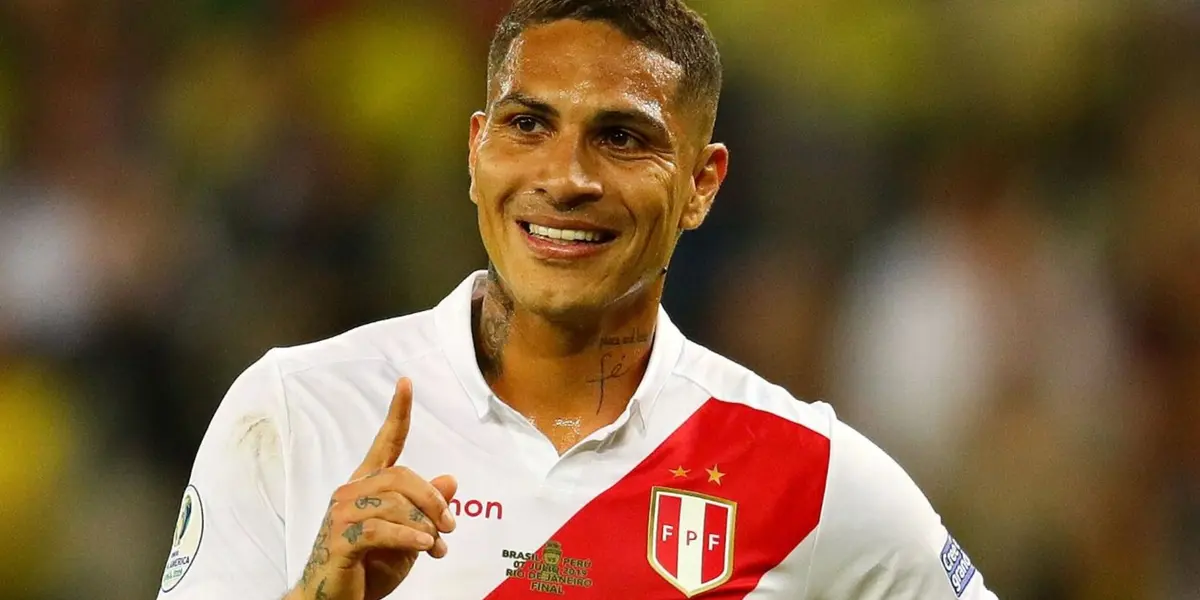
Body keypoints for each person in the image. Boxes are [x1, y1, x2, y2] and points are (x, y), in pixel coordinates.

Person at [156, 1, 998, 598]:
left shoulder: (806, 473)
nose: (565, 179)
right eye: (529, 126)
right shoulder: (296, 410)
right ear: (477, 151)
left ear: (702, 186)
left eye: (621, 138)